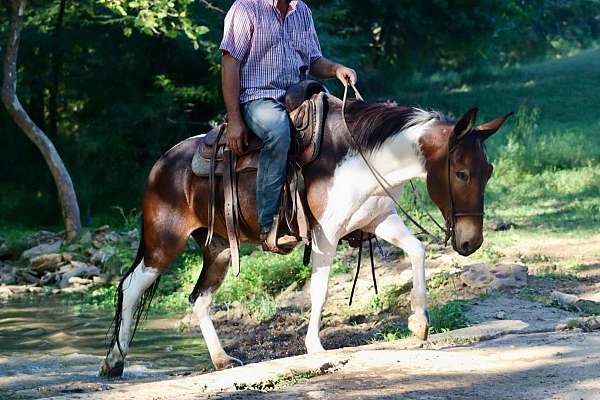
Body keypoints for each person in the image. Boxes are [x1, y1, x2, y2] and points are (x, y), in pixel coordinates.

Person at [220, 0, 357, 251]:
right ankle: (270, 224)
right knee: (278, 131)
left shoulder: (301, 10)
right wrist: (235, 119)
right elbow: (230, 64)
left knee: (339, 122)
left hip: (298, 94)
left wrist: (336, 68)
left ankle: (347, 213)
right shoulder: (245, 8)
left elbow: (314, 60)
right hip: (256, 98)